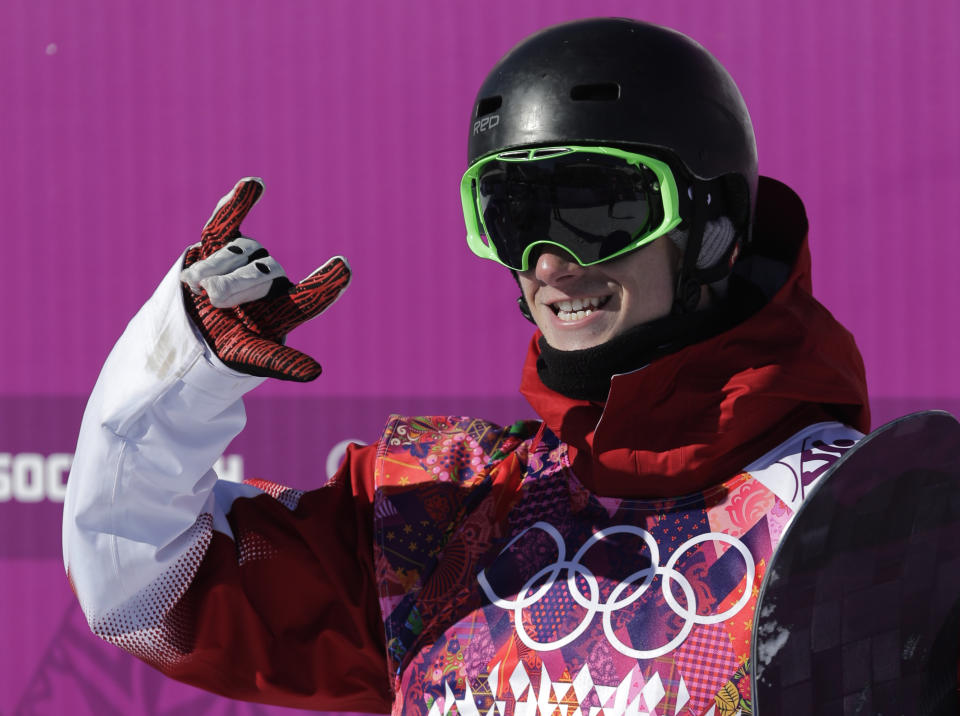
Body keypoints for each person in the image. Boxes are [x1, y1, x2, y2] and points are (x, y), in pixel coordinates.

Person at [63, 17, 870, 715]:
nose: (549, 263)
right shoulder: (444, 513)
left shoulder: (850, 517)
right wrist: (181, 367)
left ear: (713, 226)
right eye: (514, 216)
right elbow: (141, 582)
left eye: (598, 209)